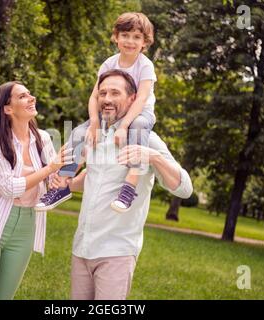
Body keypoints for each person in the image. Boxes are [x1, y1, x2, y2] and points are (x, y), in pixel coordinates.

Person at [49, 70, 193, 300]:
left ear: (132, 99)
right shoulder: (94, 136)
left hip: (116, 252)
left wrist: (154, 157)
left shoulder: (146, 139)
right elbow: (93, 179)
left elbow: (185, 189)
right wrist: (65, 184)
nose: (106, 99)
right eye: (102, 93)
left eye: (115, 93)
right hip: (82, 248)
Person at [35, 12, 157, 213]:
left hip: (138, 114)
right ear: (116, 37)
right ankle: (63, 184)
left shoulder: (145, 66)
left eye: (137, 37)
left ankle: (129, 188)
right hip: (108, 113)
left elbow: (142, 99)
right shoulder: (109, 63)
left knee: (139, 127)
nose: (130, 41)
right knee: (78, 134)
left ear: (145, 42)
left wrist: (124, 126)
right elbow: (94, 97)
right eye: (125, 35)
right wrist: (93, 123)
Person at [0, 81, 73, 300]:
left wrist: (67, 167)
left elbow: (54, 180)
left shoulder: (42, 138)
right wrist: (50, 168)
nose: (31, 98)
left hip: (26, 226)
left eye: (30, 94)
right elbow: (8, 188)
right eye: (23, 96)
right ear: (8, 108)